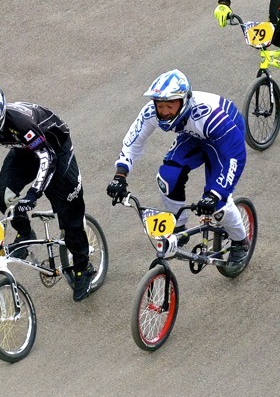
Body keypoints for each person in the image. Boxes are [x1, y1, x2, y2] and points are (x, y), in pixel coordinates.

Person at [0, 86, 94, 302]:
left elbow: (47, 158)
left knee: (69, 212)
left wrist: (33, 194)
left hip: (54, 150)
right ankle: (25, 232)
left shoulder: (21, 124)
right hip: (25, 151)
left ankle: (82, 268)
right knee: (2, 193)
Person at [106, 69, 249, 265]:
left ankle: (240, 242)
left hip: (226, 138)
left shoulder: (212, 117)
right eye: (160, 106)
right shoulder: (151, 112)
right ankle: (179, 228)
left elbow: (234, 157)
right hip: (194, 135)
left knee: (218, 204)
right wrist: (120, 175)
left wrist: (216, 193)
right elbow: (133, 142)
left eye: (170, 105)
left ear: (184, 101)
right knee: (167, 177)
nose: (164, 111)